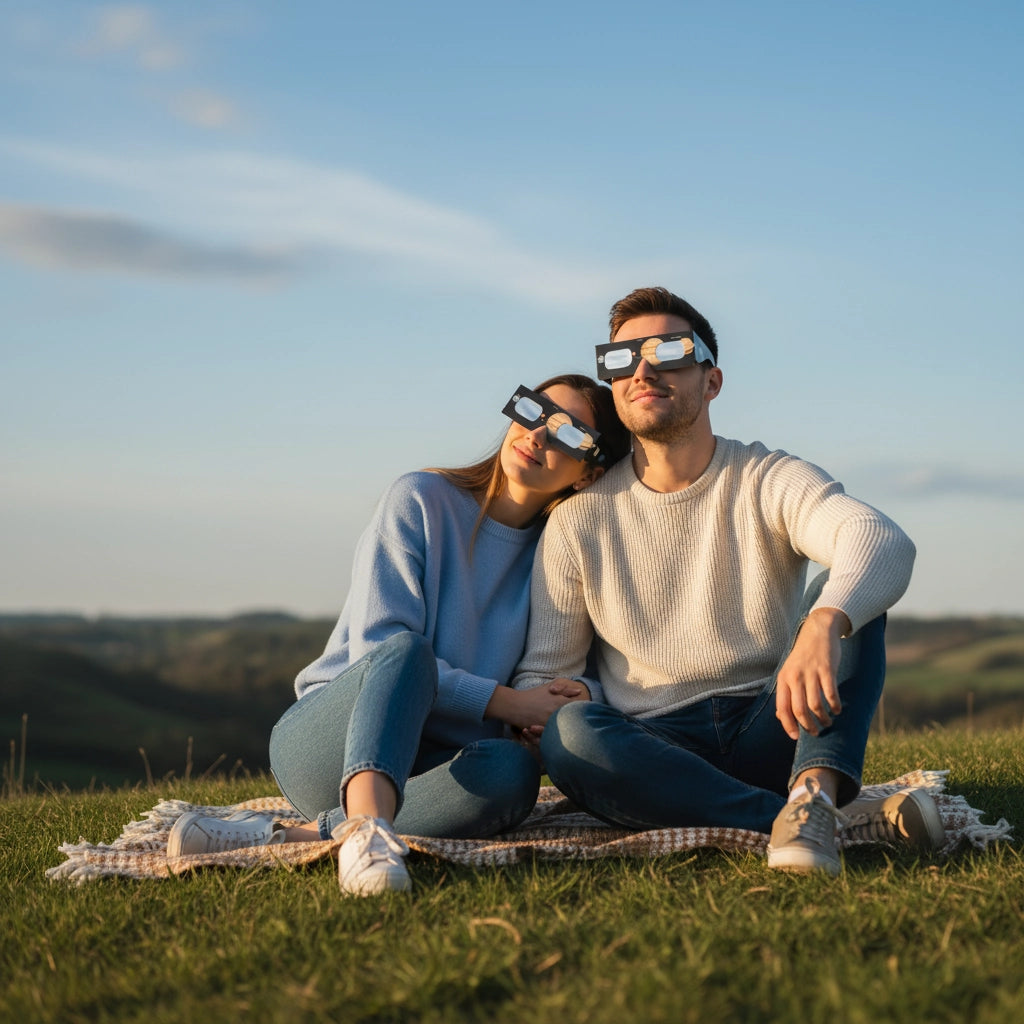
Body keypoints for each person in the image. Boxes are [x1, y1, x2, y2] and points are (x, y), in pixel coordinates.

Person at [512, 288, 945, 875]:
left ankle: (811, 791)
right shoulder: (577, 520)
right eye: (621, 359)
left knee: (845, 601)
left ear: (710, 381)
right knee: (573, 734)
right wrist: (565, 698)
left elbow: (880, 539)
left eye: (669, 351)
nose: (643, 369)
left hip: (780, 723)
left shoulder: (766, 477)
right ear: (613, 386)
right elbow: (546, 672)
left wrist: (824, 621)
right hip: (654, 747)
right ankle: (817, 819)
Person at [167, 374, 630, 894]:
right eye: (534, 412)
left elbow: (592, 668)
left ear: (590, 474)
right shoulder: (421, 498)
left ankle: (304, 836)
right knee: (407, 649)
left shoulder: (567, 551)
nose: (538, 435)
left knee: (512, 776)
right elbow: (380, 649)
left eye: (569, 434)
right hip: (333, 742)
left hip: (433, 766)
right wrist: (509, 705)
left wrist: (562, 707)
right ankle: (364, 834)